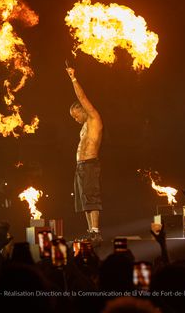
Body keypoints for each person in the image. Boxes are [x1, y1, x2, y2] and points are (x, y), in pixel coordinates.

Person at [66, 66, 103, 245]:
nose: (75, 119)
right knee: (85, 201)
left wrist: (73, 78)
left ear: (82, 110)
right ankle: (91, 232)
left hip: (89, 164)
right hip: (81, 166)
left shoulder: (94, 118)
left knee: (92, 198)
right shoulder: (83, 128)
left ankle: (96, 232)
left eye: (75, 115)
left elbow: (82, 97)